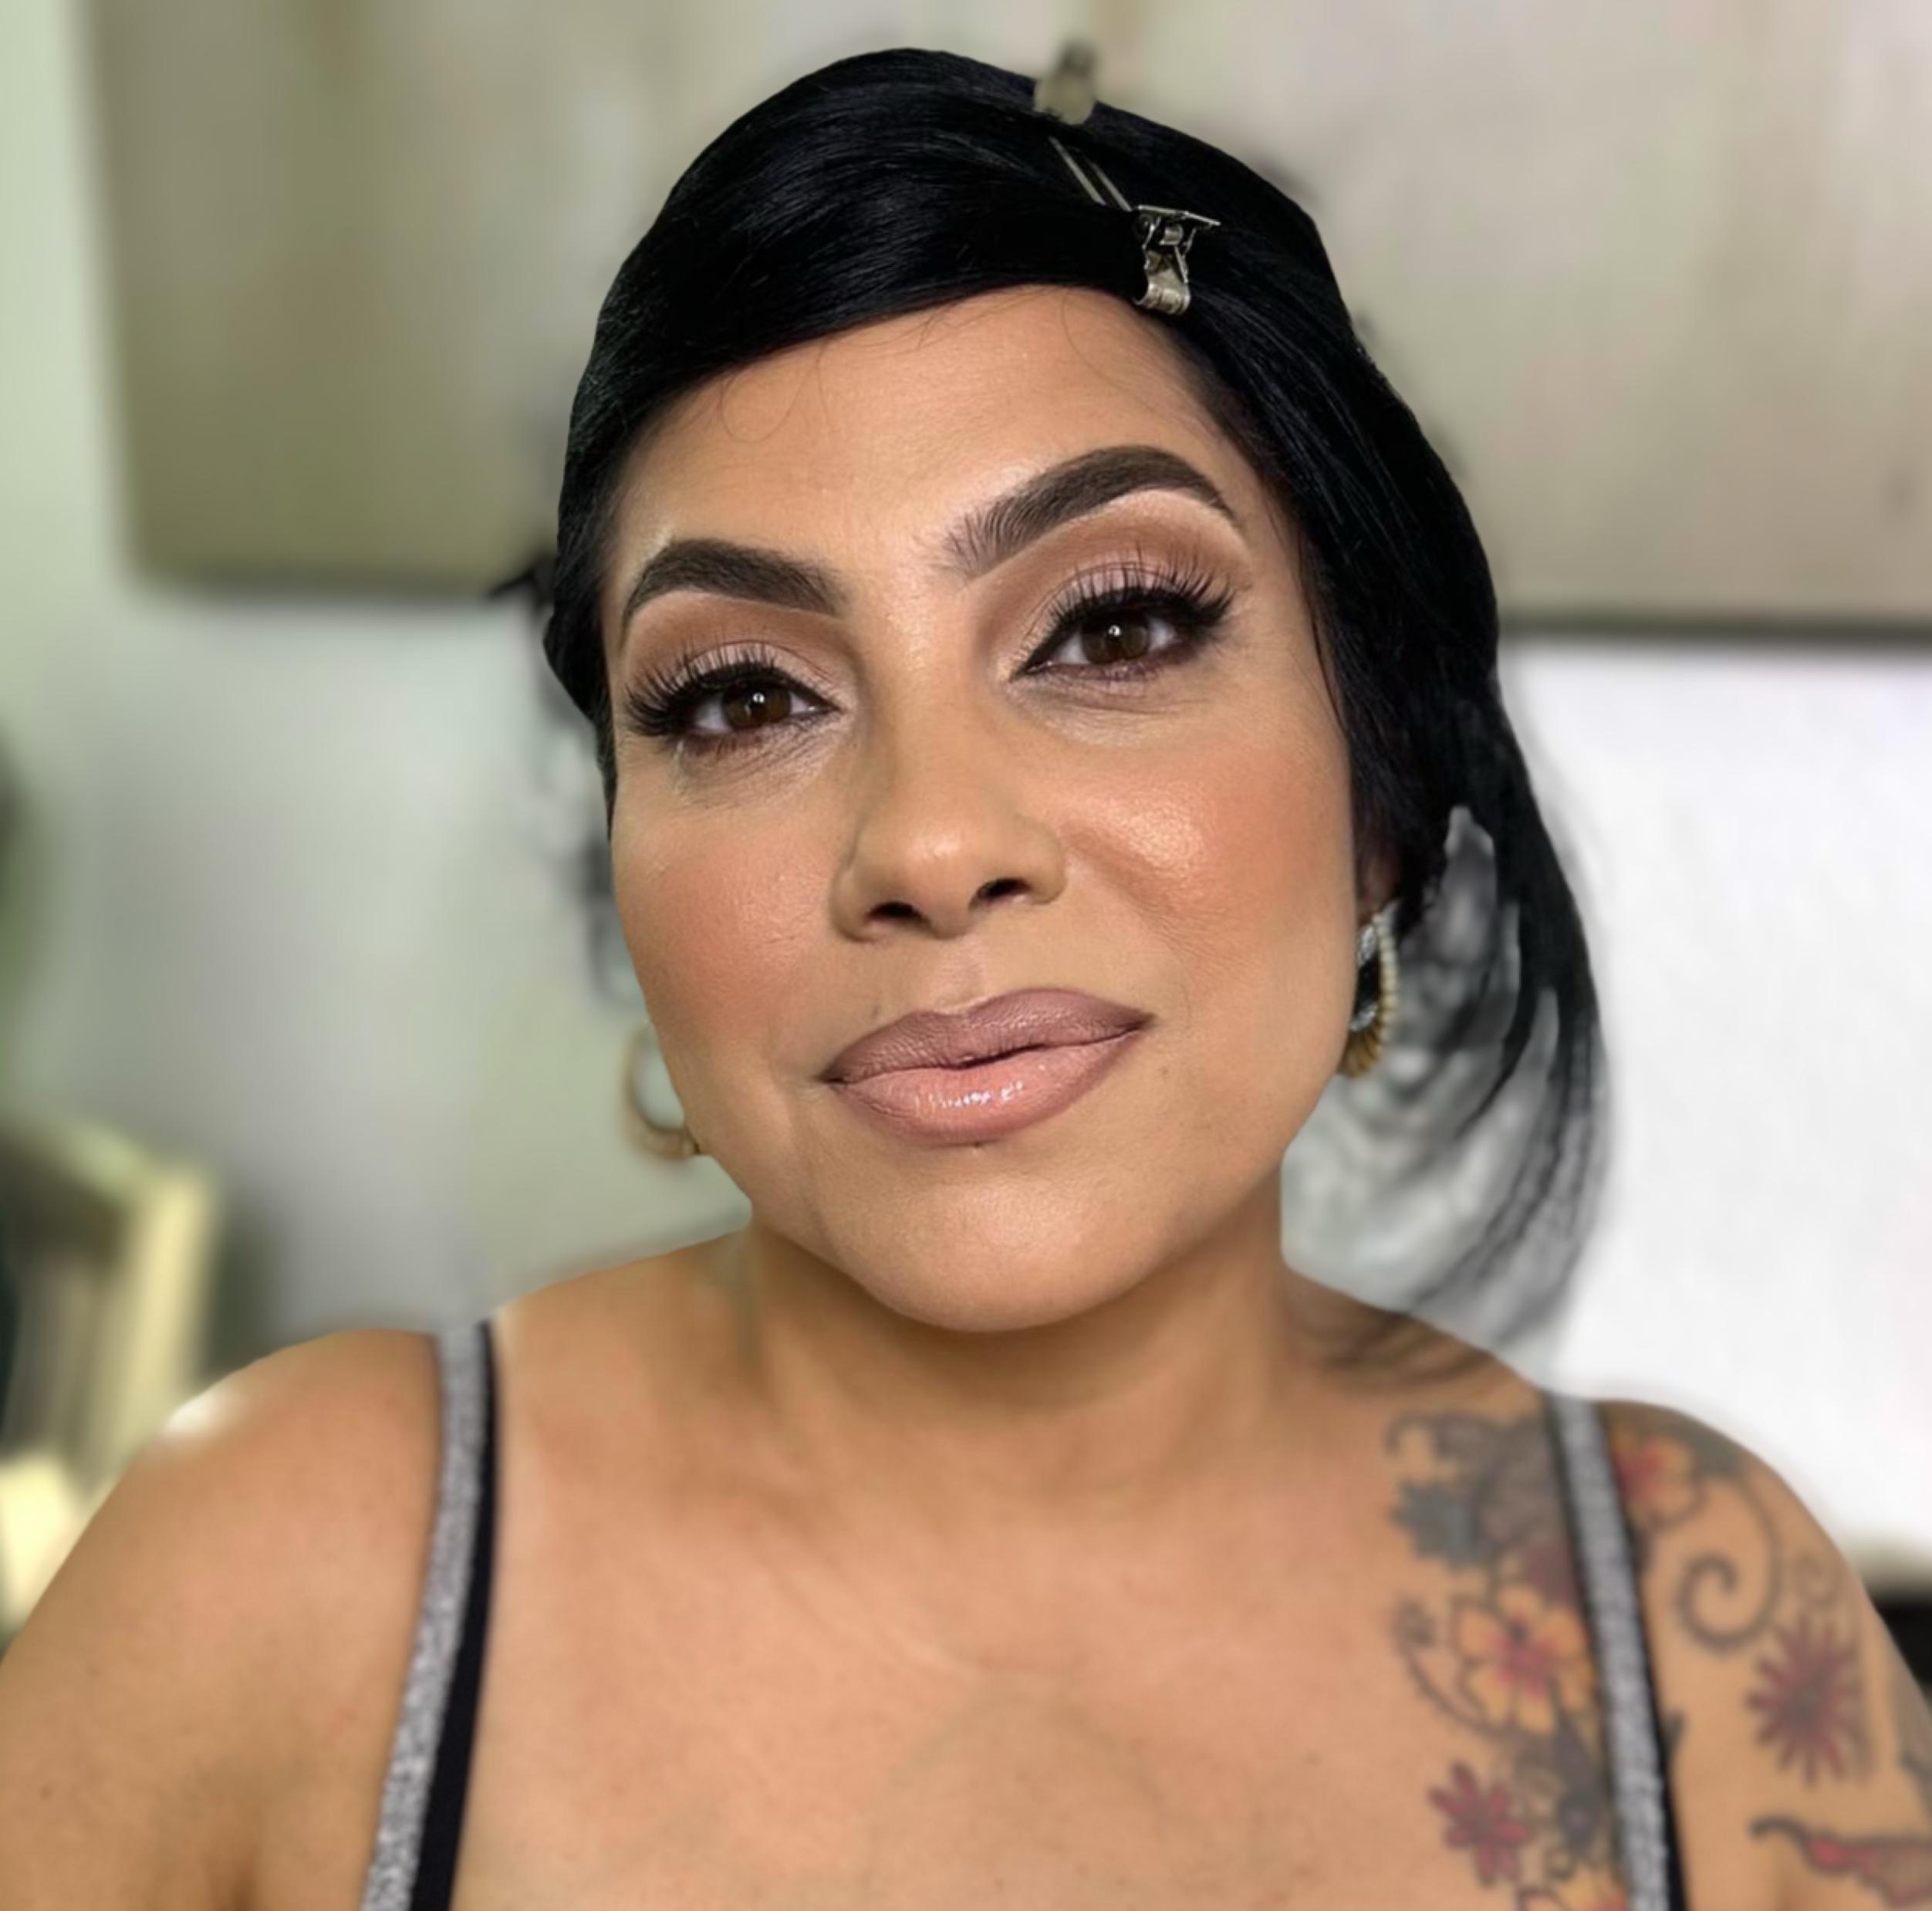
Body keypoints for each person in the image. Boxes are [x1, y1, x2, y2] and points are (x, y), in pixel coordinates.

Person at [2, 46, 1926, 1911]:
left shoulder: (1709, 1653)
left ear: (1383, 801)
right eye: (742, 697)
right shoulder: (280, 1577)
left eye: (1114, 627)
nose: (927, 844)